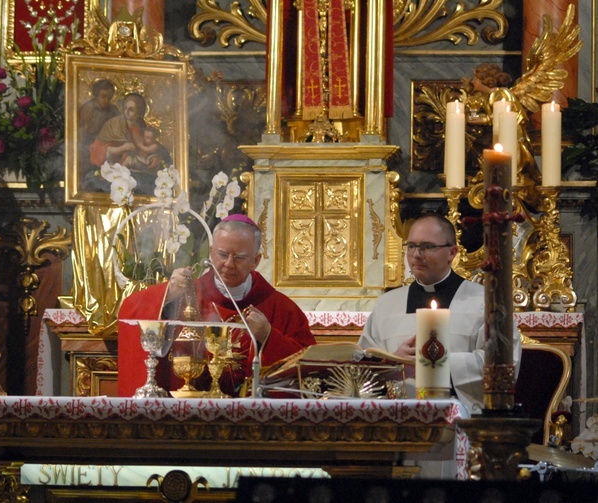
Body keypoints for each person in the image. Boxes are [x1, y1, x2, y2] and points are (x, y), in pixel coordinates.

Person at [117, 214, 316, 397]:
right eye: (222, 254)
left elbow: (309, 368)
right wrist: (168, 295)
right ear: (211, 253)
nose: (229, 264)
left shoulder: (280, 308)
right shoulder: (186, 294)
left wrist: (269, 337)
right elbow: (130, 312)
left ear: (255, 261)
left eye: (239, 257)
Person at [358, 213, 521, 414]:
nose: (417, 254)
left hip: (461, 420)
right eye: (411, 246)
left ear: (452, 253)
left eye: (427, 247)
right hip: (396, 418)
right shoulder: (386, 304)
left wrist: (436, 363)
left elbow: (504, 365)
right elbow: (362, 365)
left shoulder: (486, 301)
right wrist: (393, 363)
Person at [78, 79, 120, 177]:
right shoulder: (87, 109)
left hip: (107, 144)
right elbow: (80, 131)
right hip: (88, 143)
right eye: (103, 96)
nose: (106, 100)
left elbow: (119, 129)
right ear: (96, 95)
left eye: (109, 97)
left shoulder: (113, 110)